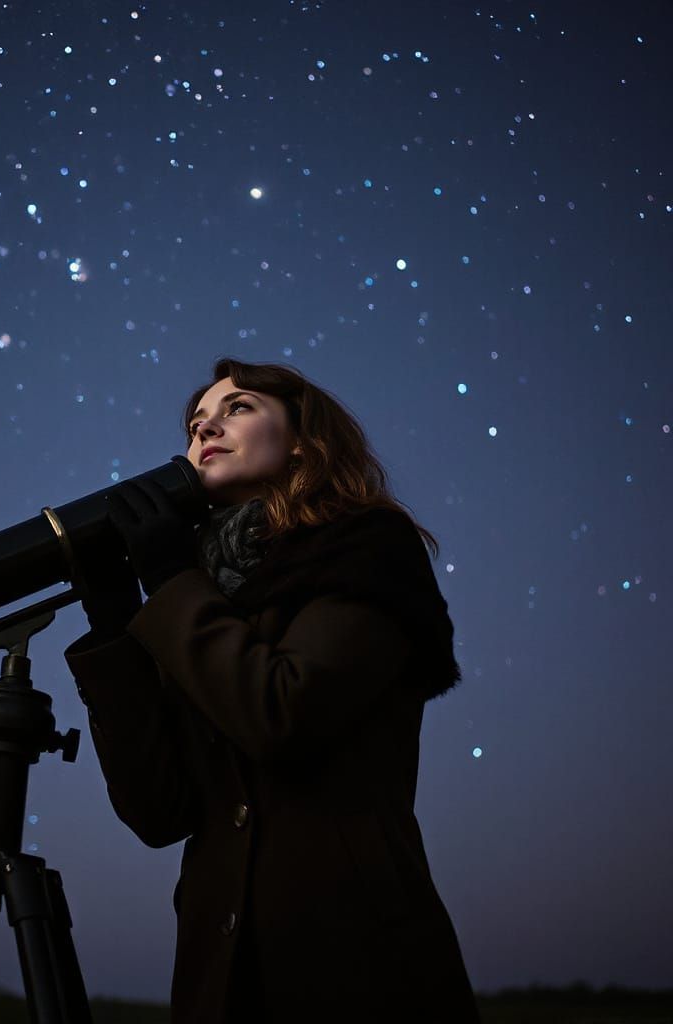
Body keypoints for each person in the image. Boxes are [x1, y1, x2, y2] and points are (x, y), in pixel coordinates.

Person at [64, 358, 480, 1022]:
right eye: (196, 423)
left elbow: (278, 712)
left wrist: (170, 582)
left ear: (302, 439)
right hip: (221, 981)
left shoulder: (367, 545)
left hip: (357, 966)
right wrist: (117, 630)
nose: (207, 430)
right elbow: (160, 812)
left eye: (238, 409)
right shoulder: (200, 600)